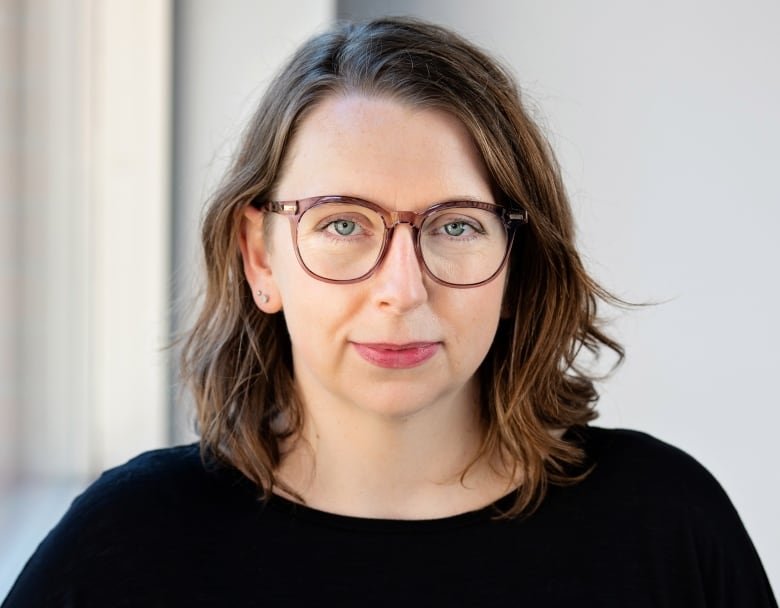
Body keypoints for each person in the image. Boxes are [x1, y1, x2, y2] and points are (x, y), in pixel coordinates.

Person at [3, 16, 776, 607]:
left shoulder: (664, 526)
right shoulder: (129, 546)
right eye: (342, 223)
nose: (402, 289)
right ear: (261, 257)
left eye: (456, 225)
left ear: (517, 258)